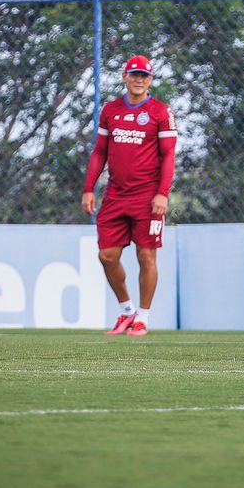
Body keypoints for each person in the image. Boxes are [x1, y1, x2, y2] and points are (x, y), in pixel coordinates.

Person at [81, 55, 177, 337]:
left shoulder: (161, 111)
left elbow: (168, 154)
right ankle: (126, 311)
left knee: (146, 256)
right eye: (134, 74)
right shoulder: (111, 110)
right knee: (106, 255)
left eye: (144, 76)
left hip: (148, 197)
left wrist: (162, 193)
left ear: (150, 80)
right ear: (124, 76)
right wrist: (89, 187)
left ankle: (143, 318)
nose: (138, 80)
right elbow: (99, 152)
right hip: (115, 195)